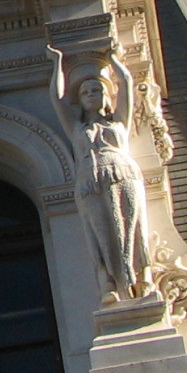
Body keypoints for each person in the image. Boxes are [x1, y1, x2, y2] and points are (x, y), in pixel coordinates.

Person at [50, 46, 153, 303]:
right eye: (85, 92)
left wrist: (114, 59)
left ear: (106, 96)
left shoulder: (118, 122)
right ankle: (107, 283)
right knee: (99, 233)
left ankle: (143, 277)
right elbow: (57, 98)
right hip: (89, 179)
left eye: (96, 90)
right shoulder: (76, 128)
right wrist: (57, 64)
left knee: (132, 227)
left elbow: (127, 84)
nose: (90, 94)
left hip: (121, 172)